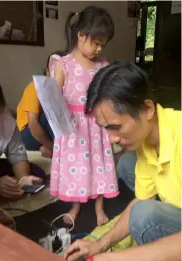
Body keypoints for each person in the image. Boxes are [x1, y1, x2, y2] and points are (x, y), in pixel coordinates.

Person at [64, 61, 181, 261]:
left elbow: (142, 209)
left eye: (116, 127)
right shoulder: (147, 141)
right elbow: (143, 198)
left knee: (143, 216)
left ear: (147, 109)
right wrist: (100, 245)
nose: (111, 139)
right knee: (127, 164)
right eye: (106, 129)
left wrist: (115, 258)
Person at [50, 6, 119, 226]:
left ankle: (99, 207)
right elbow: (54, 99)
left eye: (103, 44)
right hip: (73, 127)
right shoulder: (63, 65)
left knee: (98, 164)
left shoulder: (103, 66)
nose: (99, 48)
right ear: (80, 36)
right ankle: (75, 206)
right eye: (96, 43)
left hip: (97, 125)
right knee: (76, 168)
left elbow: (108, 96)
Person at [17, 51, 66, 158]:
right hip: (28, 133)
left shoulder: (67, 89)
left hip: (46, 133)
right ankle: (60, 150)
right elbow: (33, 124)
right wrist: (52, 148)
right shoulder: (35, 87)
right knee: (51, 113)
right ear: (48, 71)